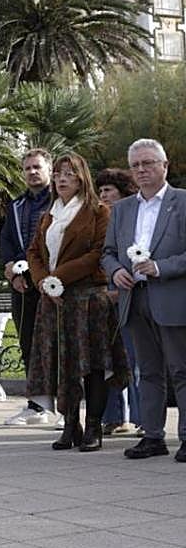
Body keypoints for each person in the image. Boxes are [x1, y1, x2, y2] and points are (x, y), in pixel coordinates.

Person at [26, 153, 128, 452]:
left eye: (68, 173)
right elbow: (33, 252)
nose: (61, 179)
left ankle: (94, 425)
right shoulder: (49, 214)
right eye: (57, 173)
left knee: (92, 364)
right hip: (54, 300)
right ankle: (71, 423)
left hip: (88, 299)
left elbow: (98, 253)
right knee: (61, 364)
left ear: (82, 177)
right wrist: (43, 280)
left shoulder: (98, 211)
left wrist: (59, 276)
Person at [102, 138, 186, 462]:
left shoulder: (182, 201)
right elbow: (107, 253)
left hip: (173, 299)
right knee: (147, 372)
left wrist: (159, 267)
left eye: (148, 163)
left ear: (164, 166)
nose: (142, 169)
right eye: (136, 165)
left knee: (181, 370)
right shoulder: (122, 209)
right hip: (134, 301)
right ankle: (152, 436)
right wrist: (115, 272)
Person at [0, 149, 56, 426]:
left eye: (37, 167)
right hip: (24, 286)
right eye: (27, 168)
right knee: (28, 343)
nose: (32, 172)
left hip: (56, 282)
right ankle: (37, 405)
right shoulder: (16, 206)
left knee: (57, 343)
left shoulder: (61, 201)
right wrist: (11, 269)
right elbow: (7, 242)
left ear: (49, 169)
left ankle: (63, 406)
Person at [96, 168, 141, 437]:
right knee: (106, 360)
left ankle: (142, 418)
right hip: (101, 300)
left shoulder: (133, 221)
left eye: (108, 190)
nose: (103, 196)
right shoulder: (100, 223)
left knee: (134, 360)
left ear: (123, 193)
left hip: (128, 298)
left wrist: (119, 290)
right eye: (100, 191)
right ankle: (113, 417)